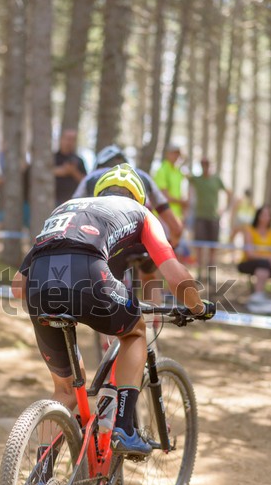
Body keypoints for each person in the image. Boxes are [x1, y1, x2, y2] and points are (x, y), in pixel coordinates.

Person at [12, 164, 214, 456]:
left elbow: (18, 286)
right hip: (90, 273)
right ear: (140, 198)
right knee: (135, 332)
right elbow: (177, 277)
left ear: (99, 192)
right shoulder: (142, 213)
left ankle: (42, 479)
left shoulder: (67, 208)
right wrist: (197, 306)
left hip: (39, 285)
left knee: (65, 390)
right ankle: (124, 426)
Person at [73, 145, 182, 304]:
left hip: (108, 239)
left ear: (98, 165)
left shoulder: (91, 178)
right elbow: (175, 225)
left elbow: (71, 212)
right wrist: (173, 241)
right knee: (149, 276)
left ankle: (109, 321)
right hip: (141, 237)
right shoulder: (142, 176)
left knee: (110, 292)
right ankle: (154, 321)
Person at [189, 158, 233, 282]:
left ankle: (210, 274)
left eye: (207, 165)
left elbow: (229, 193)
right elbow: (186, 178)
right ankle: (199, 273)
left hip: (214, 218)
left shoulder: (217, 179)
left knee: (213, 248)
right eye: (203, 165)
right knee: (199, 247)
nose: (206, 167)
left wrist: (224, 210)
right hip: (200, 217)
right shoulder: (196, 179)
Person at [237, 205, 271, 314]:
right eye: (264, 214)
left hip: (267, 264)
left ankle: (259, 298)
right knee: (263, 264)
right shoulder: (249, 230)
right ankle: (257, 296)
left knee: (264, 265)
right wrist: (266, 257)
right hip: (248, 262)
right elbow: (249, 253)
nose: (266, 217)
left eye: (268, 215)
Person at [153, 144, 188, 220]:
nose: (176, 156)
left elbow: (182, 193)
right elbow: (164, 196)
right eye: (174, 153)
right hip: (163, 215)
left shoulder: (179, 172)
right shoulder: (162, 170)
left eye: (178, 154)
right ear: (168, 154)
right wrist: (182, 202)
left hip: (177, 215)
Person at [54, 129, 87, 206]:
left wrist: (73, 172)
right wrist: (60, 171)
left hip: (72, 201)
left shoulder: (79, 160)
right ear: (61, 139)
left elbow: (85, 180)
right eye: (68, 139)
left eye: (73, 140)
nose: (70, 142)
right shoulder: (53, 158)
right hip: (54, 200)